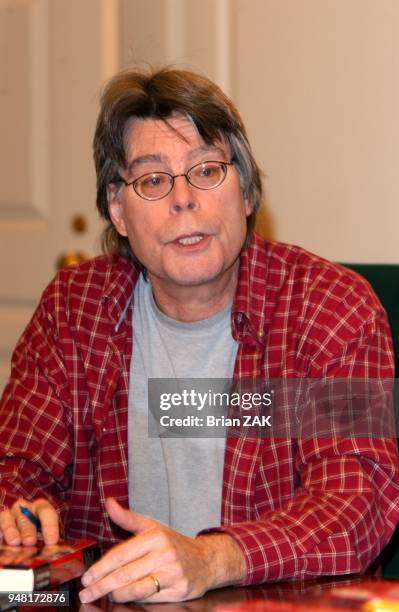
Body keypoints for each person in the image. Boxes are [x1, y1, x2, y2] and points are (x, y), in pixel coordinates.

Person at [0, 67, 398, 604]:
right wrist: (23, 512)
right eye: (153, 180)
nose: (183, 199)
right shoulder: (73, 311)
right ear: (118, 210)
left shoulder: (332, 308)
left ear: (248, 192)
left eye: (206, 170)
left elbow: (359, 500)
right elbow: (15, 468)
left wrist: (212, 558)